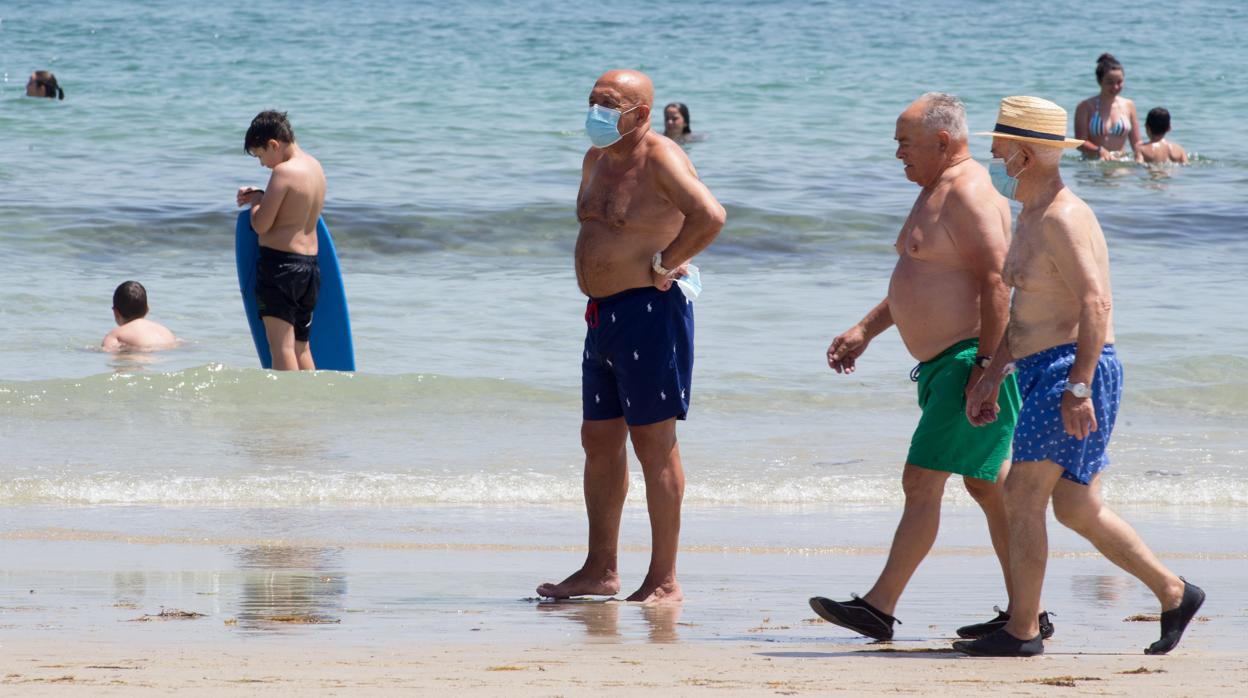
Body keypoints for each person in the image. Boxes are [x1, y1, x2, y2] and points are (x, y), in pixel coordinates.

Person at [958, 95, 1205, 657]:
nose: (994, 156)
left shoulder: (1064, 217)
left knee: (1021, 493)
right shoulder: (1030, 214)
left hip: (1074, 366)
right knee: (1074, 506)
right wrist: (992, 376)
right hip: (1042, 365)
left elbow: (1096, 305)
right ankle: (1174, 592)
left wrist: (1079, 385)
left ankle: (1022, 630)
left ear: (1026, 152)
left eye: (1000, 147)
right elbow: (1026, 315)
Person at [808, 93, 1051, 643]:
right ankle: (1027, 615)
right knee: (989, 488)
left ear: (943, 142)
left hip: (970, 358)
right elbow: (926, 279)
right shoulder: (935, 191)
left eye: (904, 143)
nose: (897, 154)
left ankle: (878, 606)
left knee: (921, 481)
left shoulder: (968, 194)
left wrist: (987, 369)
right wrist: (865, 330)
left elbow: (998, 285)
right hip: (949, 364)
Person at [536, 70, 725, 605]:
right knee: (598, 439)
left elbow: (710, 215)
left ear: (640, 114)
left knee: (653, 444)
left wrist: (670, 261)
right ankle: (601, 569)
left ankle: (663, 578)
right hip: (602, 315)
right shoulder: (596, 159)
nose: (595, 110)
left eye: (608, 103)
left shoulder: (661, 158)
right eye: (592, 100)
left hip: (651, 313)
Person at [236, 110, 327, 371]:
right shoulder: (315, 167)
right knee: (301, 347)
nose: (263, 164)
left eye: (261, 155)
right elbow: (292, 213)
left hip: (281, 269)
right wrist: (264, 196)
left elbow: (261, 224)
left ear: (274, 144)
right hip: (309, 269)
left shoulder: (284, 172)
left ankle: (288, 410)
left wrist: (255, 201)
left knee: (281, 347)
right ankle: (309, 402)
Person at [1074, 54, 1142, 163]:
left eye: (1119, 82)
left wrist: (1140, 160)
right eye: (1110, 82)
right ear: (1100, 81)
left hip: (1121, 162)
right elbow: (1079, 142)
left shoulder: (1129, 105)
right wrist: (1099, 150)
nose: (1115, 87)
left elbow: (1136, 142)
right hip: (1093, 164)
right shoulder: (1085, 106)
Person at [101, 281, 178, 352]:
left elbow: (107, 352)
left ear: (116, 312)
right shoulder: (166, 332)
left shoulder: (116, 335)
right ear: (147, 309)